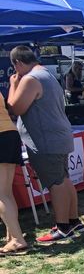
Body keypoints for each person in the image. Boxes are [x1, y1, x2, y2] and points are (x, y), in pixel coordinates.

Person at [6, 45, 84, 244]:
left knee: (56, 183)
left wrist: (13, 84)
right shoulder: (46, 74)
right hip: (58, 136)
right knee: (64, 179)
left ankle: (63, 227)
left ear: (18, 63)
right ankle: (73, 221)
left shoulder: (30, 79)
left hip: (46, 141)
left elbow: (15, 108)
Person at [0, 93, 28, 254]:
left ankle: (17, 239)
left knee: (2, 194)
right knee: (6, 193)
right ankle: (12, 235)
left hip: (2, 136)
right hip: (10, 133)